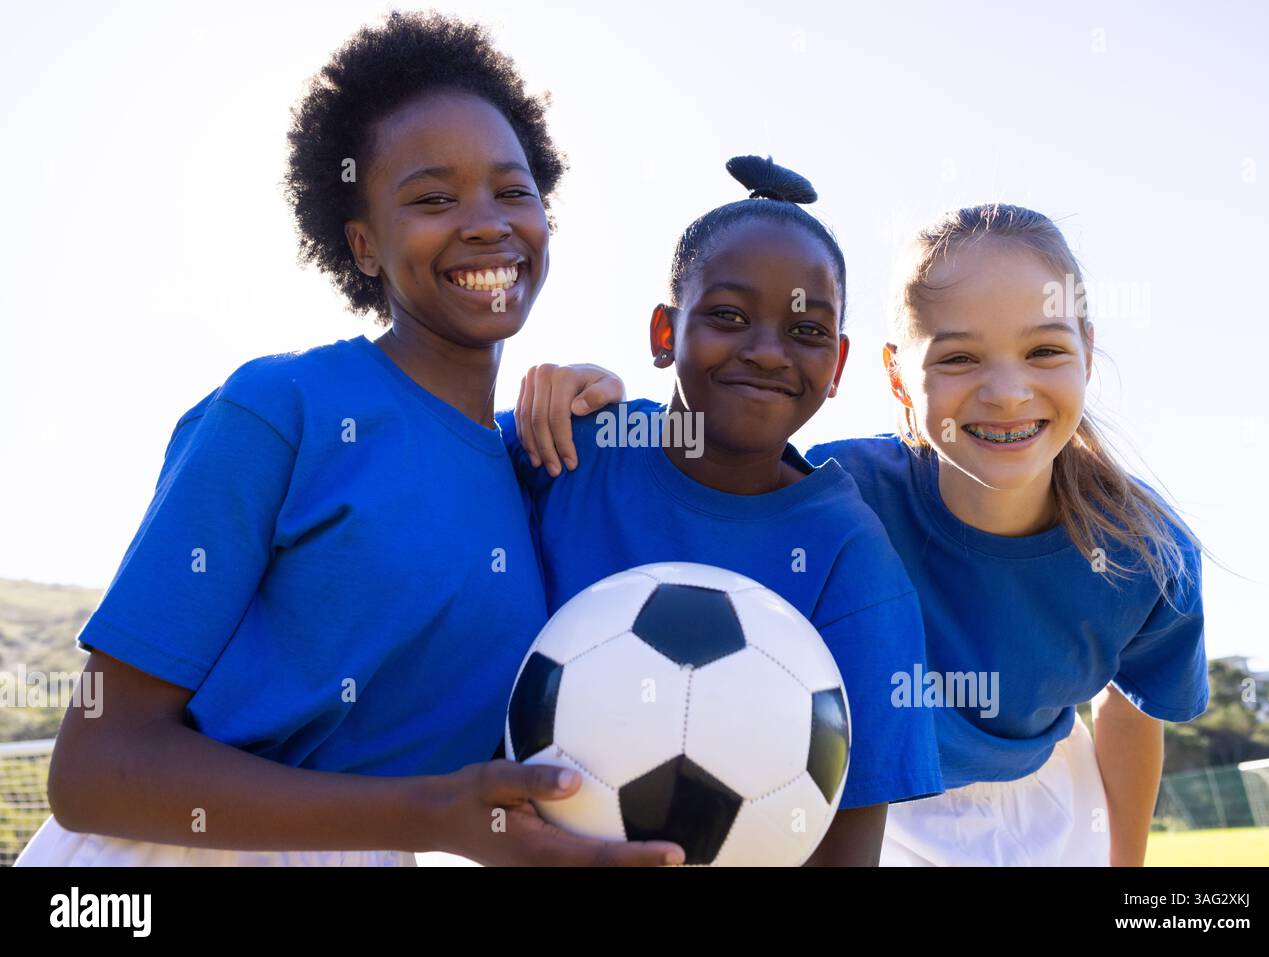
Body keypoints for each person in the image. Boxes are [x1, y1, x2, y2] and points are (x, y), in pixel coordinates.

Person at [17, 10, 683, 868]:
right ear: (364, 245)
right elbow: (94, 769)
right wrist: (432, 815)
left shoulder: (535, 464)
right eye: (433, 198)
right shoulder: (279, 408)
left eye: (513, 191)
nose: (486, 223)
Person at [503, 156, 943, 866]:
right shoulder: (572, 448)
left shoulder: (851, 556)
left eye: (807, 331)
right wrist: (539, 395)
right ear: (663, 334)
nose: (767, 352)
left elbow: (850, 841)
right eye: (729, 316)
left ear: (837, 365)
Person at [805, 205, 1207, 866]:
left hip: (1049, 799)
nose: (1008, 393)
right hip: (869, 797)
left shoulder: (1147, 551)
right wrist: (607, 406)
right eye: (959, 357)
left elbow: (1133, 709)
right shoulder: (834, 495)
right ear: (898, 375)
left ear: (1086, 350)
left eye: (1043, 350)